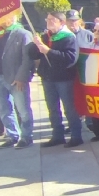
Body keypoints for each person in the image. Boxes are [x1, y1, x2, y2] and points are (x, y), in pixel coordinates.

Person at [28, 10, 83, 147]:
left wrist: (48, 51)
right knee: (52, 108)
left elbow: (70, 59)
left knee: (69, 108)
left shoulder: (69, 37)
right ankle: (57, 135)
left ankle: (76, 136)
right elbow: (34, 55)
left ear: (62, 22)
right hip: (48, 77)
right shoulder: (46, 36)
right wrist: (35, 44)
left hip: (64, 78)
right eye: (47, 20)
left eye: (52, 20)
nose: (48, 22)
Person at [0, 13, 35, 148]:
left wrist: (21, 77)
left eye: (6, 16)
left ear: (14, 17)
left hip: (16, 78)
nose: (2, 19)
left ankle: (26, 136)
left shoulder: (23, 34)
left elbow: (27, 58)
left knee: (23, 109)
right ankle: (12, 135)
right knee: (4, 110)